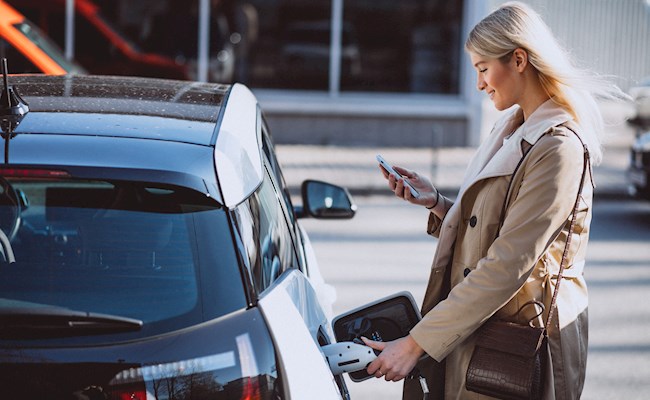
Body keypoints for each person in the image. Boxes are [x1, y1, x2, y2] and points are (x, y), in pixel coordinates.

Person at [361, 2, 627, 399]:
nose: (480, 84)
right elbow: (492, 231)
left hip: (518, 345)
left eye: (484, 69)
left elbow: (508, 264)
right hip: (484, 332)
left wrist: (416, 343)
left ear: (518, 59)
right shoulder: (512, 128)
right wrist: (436, 203)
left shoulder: (558, 148)